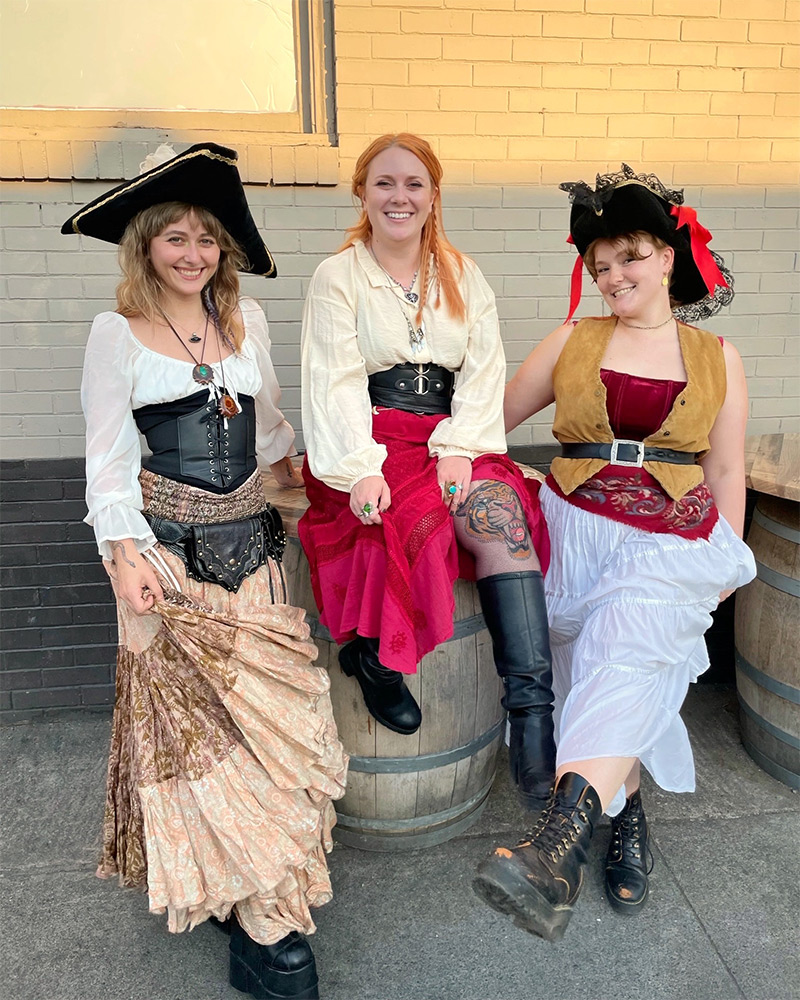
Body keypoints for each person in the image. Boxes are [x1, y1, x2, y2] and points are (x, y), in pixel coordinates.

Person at [62, 142, 347, 1000]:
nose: (194, 254)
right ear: (145, 242)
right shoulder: (116, 334)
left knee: (268, 734)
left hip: (254, 551)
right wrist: (123, 557)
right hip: (168, 569)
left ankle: (267, 900)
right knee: (202, 747)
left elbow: (263, 430)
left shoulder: (245, 323)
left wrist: (309, 470)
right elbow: (107, 462)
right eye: (176, 237)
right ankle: (258, 920)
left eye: (208, 240)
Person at [473, 164, 756, 942]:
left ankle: (552, 848)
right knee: (589, 681)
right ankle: (626, 812)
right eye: (599, 265)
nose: (612, 276)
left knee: (627, 654)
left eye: (628, 257)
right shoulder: (573, 337)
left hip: (671, 540)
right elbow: (489, 419)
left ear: (668, 256)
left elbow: (725, 467)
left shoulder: (716, 356)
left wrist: (725, 558)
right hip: (574, 528)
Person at [298, 133, 554, 812]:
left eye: (414, 183)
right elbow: (335, 378)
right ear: (363, 192)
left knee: (498, 515)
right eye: (385, 183)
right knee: (415, 519)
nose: (399, 196)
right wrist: (358, 467)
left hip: (451, 434)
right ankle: (376, 657)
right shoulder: (339, 276)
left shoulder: (464, 276)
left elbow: (483, 369)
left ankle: (532, 717)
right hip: (372, 435)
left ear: (434, 195)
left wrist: (462, 447)